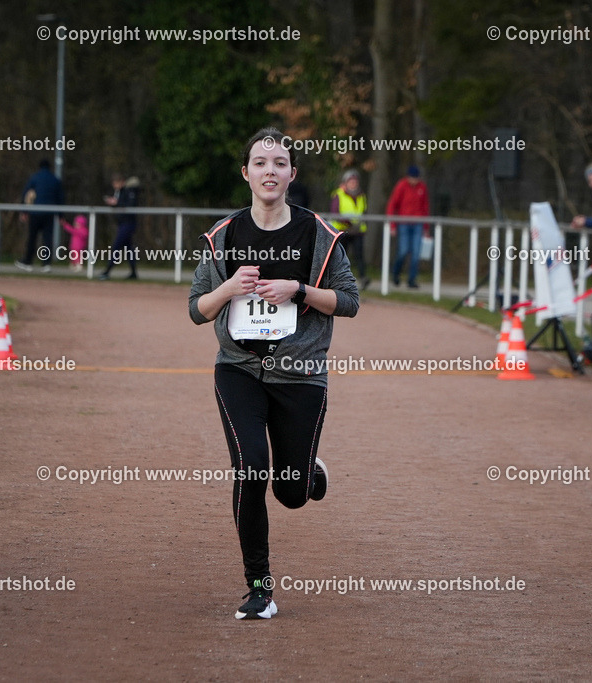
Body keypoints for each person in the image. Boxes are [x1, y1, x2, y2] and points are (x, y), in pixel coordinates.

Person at [188, 128, 359, 620]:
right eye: (260, 163)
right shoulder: (223, 235)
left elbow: (349, 301)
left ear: (291, 174)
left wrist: (298, 290)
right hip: (238, 369)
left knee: (290, 493)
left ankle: (306, 473)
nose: (270, 171)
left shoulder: (319, 234)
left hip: (300, 374)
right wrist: (228, 289)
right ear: (246, 173)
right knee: (251, 467)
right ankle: (259, 588)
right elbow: (197, 309)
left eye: (279, 163)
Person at [15, 159, 64, 273]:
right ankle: (46, 263)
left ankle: (28, 261)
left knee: (32, 238)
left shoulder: (34, 178)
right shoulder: (55, 180)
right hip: (49, 213)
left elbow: (26, 194)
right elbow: (60, 198)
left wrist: (24, 211)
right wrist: (61, 215)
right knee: (47, 239)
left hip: (35, 212)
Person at [386, 165, 429, 288]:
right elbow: (392, 204)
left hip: (418, 224)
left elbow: (425, 207)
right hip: (403, 223)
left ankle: (412, 279)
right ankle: (396, 273)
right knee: (403, 251)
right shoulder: (402, 185)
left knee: (416, 253)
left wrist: (426, 228)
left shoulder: (422, 187)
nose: (414, 181)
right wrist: (392, 225)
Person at [330, 168, 369, 289]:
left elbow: (363, 211)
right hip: (343, 231)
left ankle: (363, 278)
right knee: (341, 257)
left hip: (357, 231)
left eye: (355, 181)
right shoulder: (339, 194)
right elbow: (335, 212)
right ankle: (338, 279)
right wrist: (348, 222)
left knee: (359, 256)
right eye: (351, 181)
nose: (353, 184)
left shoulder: (361, 195)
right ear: (346, 182)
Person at [100, 174, 141, 280]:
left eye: (116, 183)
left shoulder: (129, 191)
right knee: (128, 249)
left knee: (116, 247)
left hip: (128, 223)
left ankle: (107, 271)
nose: (114, 185)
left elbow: (130, 205)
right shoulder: (120, 192)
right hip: (122, 223)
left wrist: (116, 203)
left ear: (121, 182)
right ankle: (133, 273)